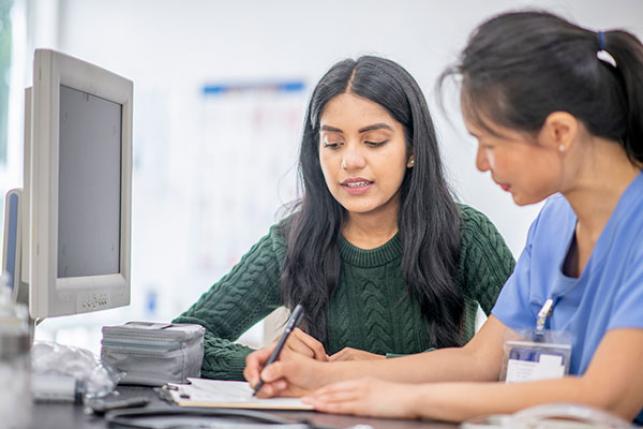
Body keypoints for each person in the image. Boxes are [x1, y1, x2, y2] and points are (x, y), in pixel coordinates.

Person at [244, 12, 643, 424]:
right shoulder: (556, 222)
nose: (481, 163)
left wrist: (407, 401)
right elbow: (479, 362)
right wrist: (320, 376)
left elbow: (604, 398)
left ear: (560, 133)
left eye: (489, 142)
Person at [173, 56, 515, 381]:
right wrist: (267, 361)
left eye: (374, 142)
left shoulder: (466, 233)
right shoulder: (292, 241)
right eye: (333, 143)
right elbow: (181, 339)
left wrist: (381, 370)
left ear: (412, 150)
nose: (350, 161)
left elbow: (525, 353)